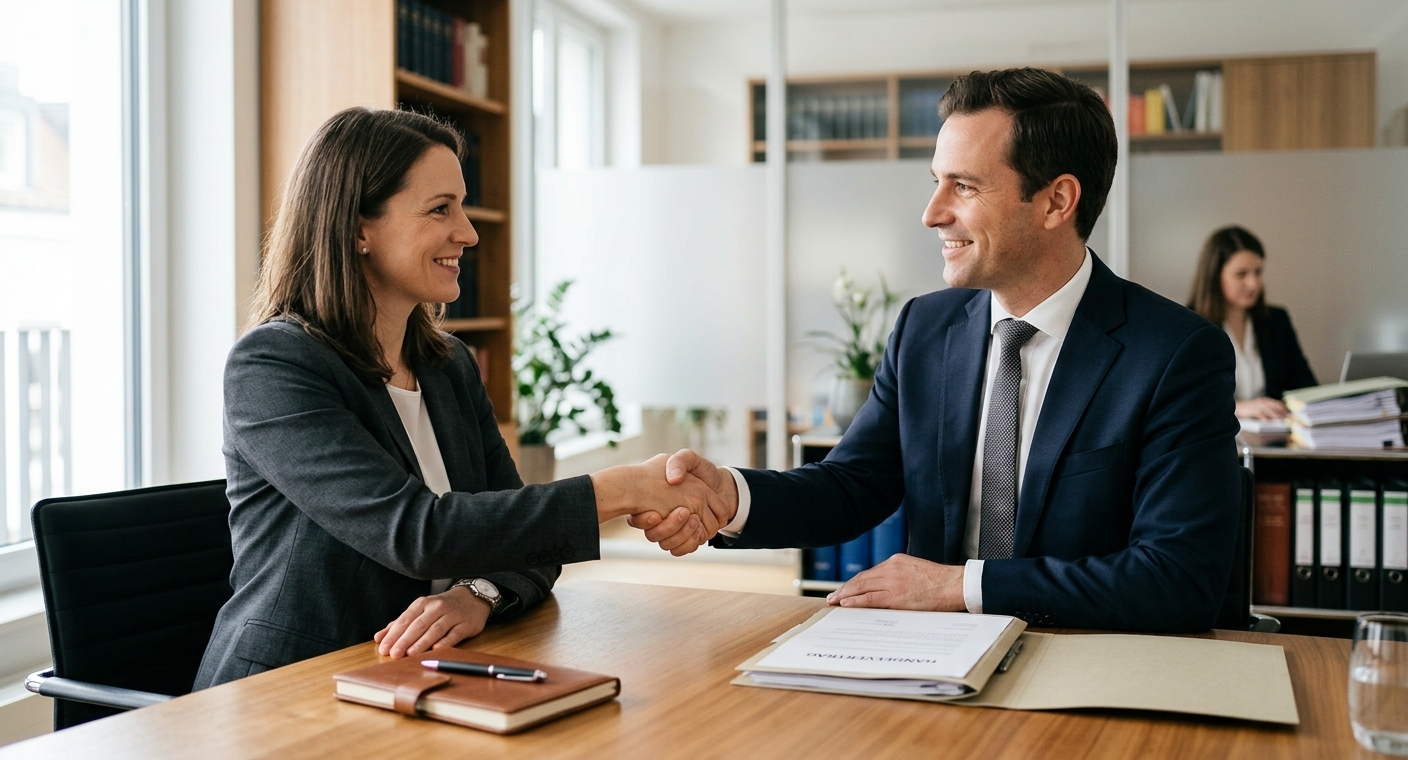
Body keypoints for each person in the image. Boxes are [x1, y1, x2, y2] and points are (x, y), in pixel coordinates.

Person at [638, 68, 1242, 632]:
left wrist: (960, 587)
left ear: (1057, 201)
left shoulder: (1176, 354)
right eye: (937, 183)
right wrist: (732, 497)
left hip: (1088, 660)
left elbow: (1180, 578)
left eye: (965, 186)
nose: (932, 214)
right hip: (933, 663)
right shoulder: (924, 328)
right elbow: (852, 484)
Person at [194, 107, 724, 689]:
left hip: (419, 676)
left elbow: (525, 536)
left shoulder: (448, 366)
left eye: (463, 207)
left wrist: (478, 595)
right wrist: (620, 489)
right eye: (440, 209)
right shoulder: (274, 366)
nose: (469, 233)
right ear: (358, 229)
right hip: (290, 688)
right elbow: (413, 531)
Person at [1187, 225, 1316, 421]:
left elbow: (1305, 386)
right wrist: (1237, 408)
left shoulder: (1276, 321)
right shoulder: (1190, 327)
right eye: (1241, 274)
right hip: (1218, 434)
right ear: (1215, 276)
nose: (1254, 284)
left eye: (1258, 272)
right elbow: (1188, 401)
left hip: (1274, 432)